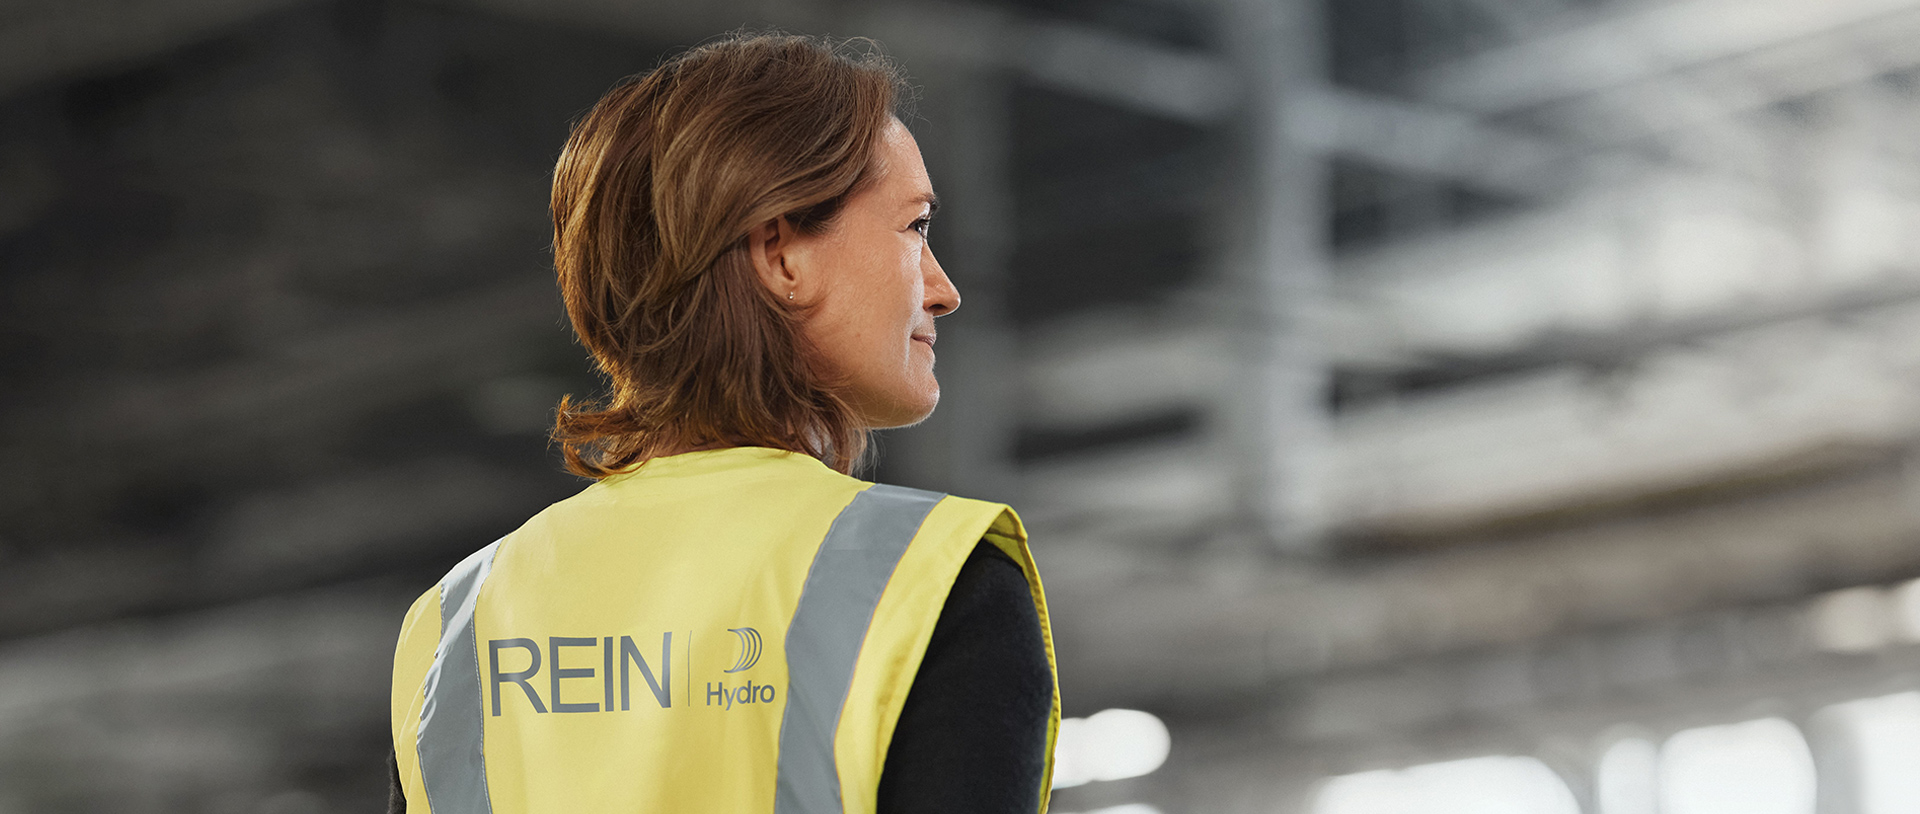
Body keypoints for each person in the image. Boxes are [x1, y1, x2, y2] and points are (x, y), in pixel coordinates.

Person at [384, 33, 1059, 814]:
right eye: (915, 227)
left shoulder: (454, 625)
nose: (944, 291)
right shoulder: (929, 581)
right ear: (780, 255)